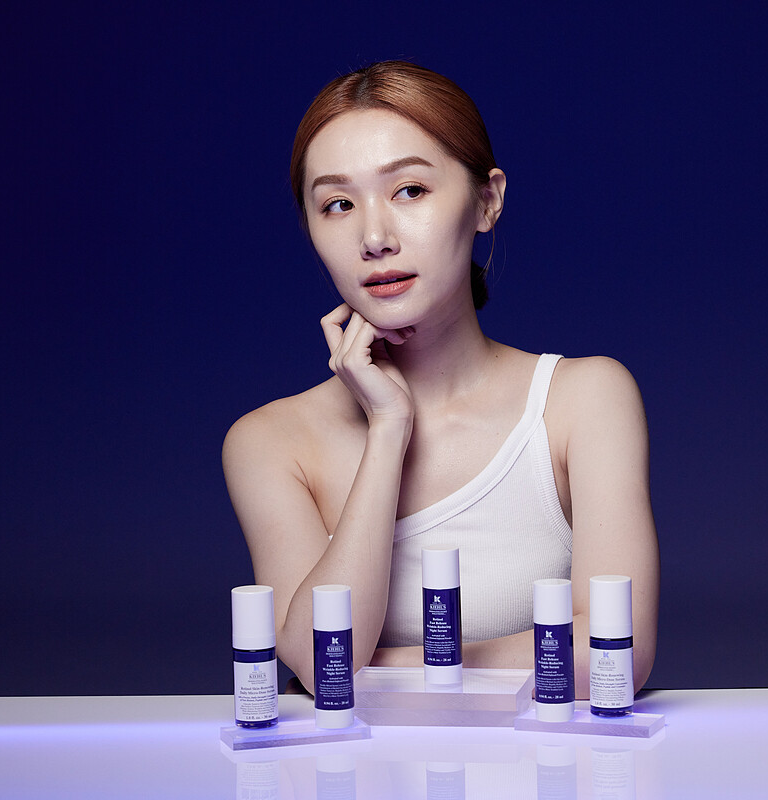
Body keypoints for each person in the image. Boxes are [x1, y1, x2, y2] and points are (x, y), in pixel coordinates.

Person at [222, 61, 659, 698]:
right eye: (338, 204)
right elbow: (325, 667)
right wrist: (388, 428)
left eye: (409, 191)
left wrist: (383, 668)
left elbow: (616, 655)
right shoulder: (268, 442)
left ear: (487, 201)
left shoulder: (583, 400)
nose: (374, 237)